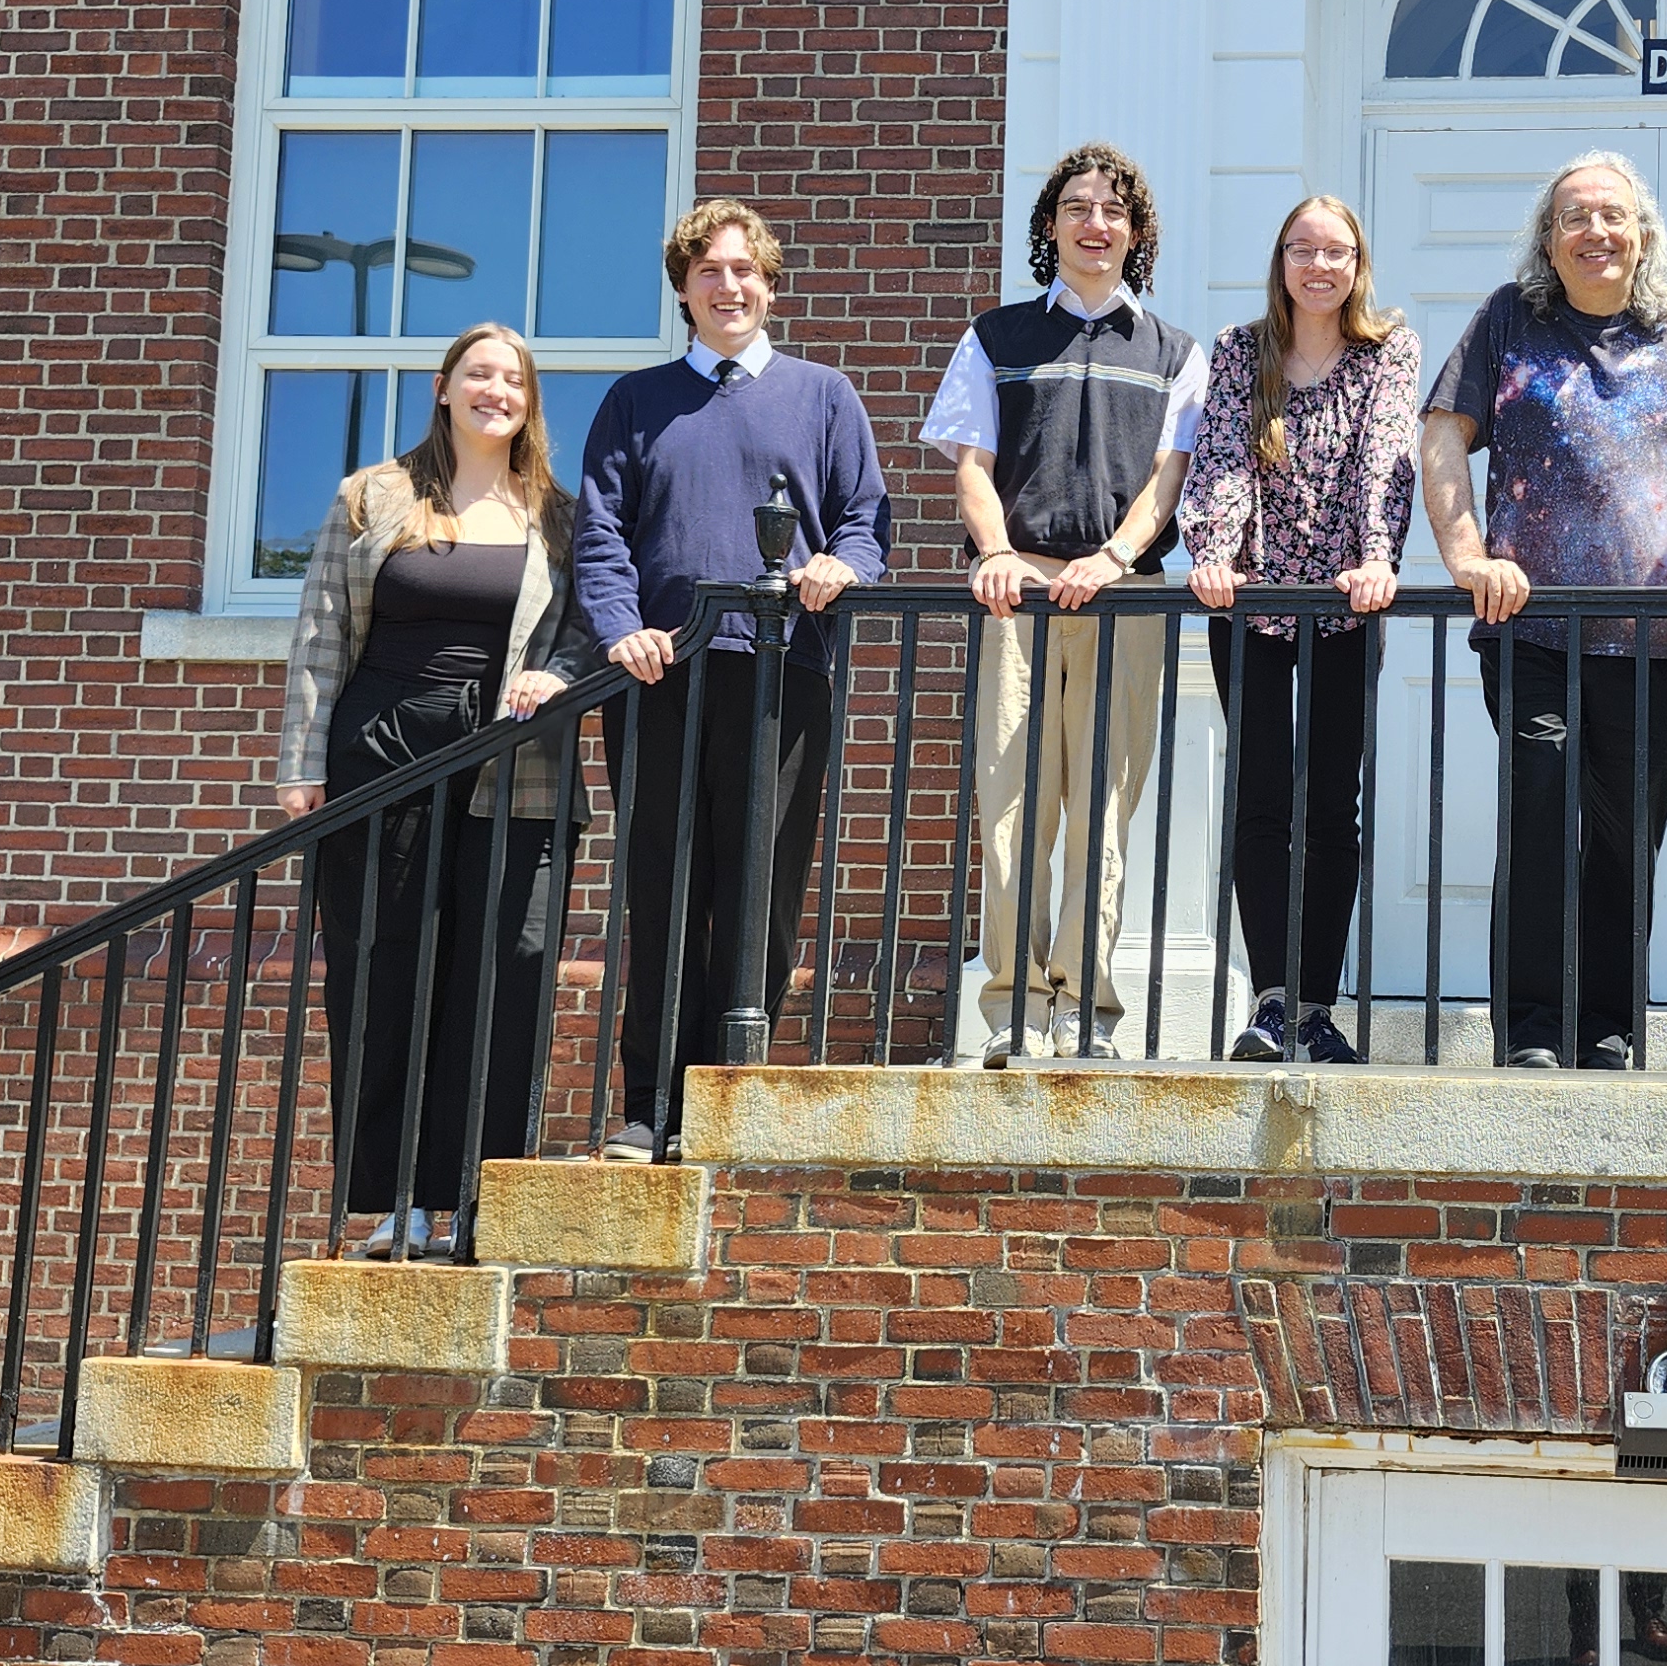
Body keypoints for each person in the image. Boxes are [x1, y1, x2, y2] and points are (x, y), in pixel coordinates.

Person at [1421, 152, 1667, 1070]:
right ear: (1548, 240)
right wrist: (1467, 557)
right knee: (1539, 810)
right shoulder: (1509, 317)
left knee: (1625, 837)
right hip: (1533, 630)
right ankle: (1531, 1028)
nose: (1595, 232)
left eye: (1612, 215)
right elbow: (1443, 433)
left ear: (1642, 233)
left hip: (1660, 638)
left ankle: (1607, 1028)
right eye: (1574, 217)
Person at [574, 197, 889, 1158]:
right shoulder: (635, 401)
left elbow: (866, 522)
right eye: (708, 270)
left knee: (764, 892)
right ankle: (650, 1107)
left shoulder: (824, 395)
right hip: (660, 678)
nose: (728, 285)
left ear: (770, 284)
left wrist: (842, 566)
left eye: (744, 269)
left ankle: (723, 1099)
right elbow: (600, 537)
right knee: (665, 890)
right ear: (683, 289)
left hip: (782, 676)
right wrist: (621, 631)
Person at [277, 325, 594, 1256]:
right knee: (384, 969)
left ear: (530, 402)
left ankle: (477, 1196)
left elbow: (589, 627)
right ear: (444, 388)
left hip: (515, 762)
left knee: (506, 972)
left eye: (514, 379)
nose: (497, 391)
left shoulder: (561, 515)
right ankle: (396, 1202)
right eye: (478, 374)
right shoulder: (372, 494)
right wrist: (302, 763)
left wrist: (558, 676)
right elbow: (321, 630)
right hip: (380, 751)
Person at [921, 142, 1208, 1061]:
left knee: (1103, 814)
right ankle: (1013, 1010)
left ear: (1136, 233)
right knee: (1011, 811)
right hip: (1019, 601)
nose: (1096, 223)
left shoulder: (1175, 352)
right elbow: (972, 467)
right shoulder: (994, 337)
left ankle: (1085, 1010)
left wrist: (1116, 559)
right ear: (1051, 224)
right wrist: (998, 553)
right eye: (1079, 206)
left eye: (1114, 210)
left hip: (1125, 602)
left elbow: (1171, 478)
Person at [1180, 194, 1421, 1064]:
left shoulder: (1387, 349)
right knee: (1261, 801)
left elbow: (1386, 458)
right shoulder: (1241, 350)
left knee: (1328, 807)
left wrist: (1376, 557)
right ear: (1280, 261)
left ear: (1359, 265)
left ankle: (1316, 1008)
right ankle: (1272, 1001)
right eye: (1302, 250)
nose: (1319, 266)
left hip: (1346, 607)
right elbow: (1222, 457)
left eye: (1336, 252)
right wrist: (1214, 553)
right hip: (1252, 604)